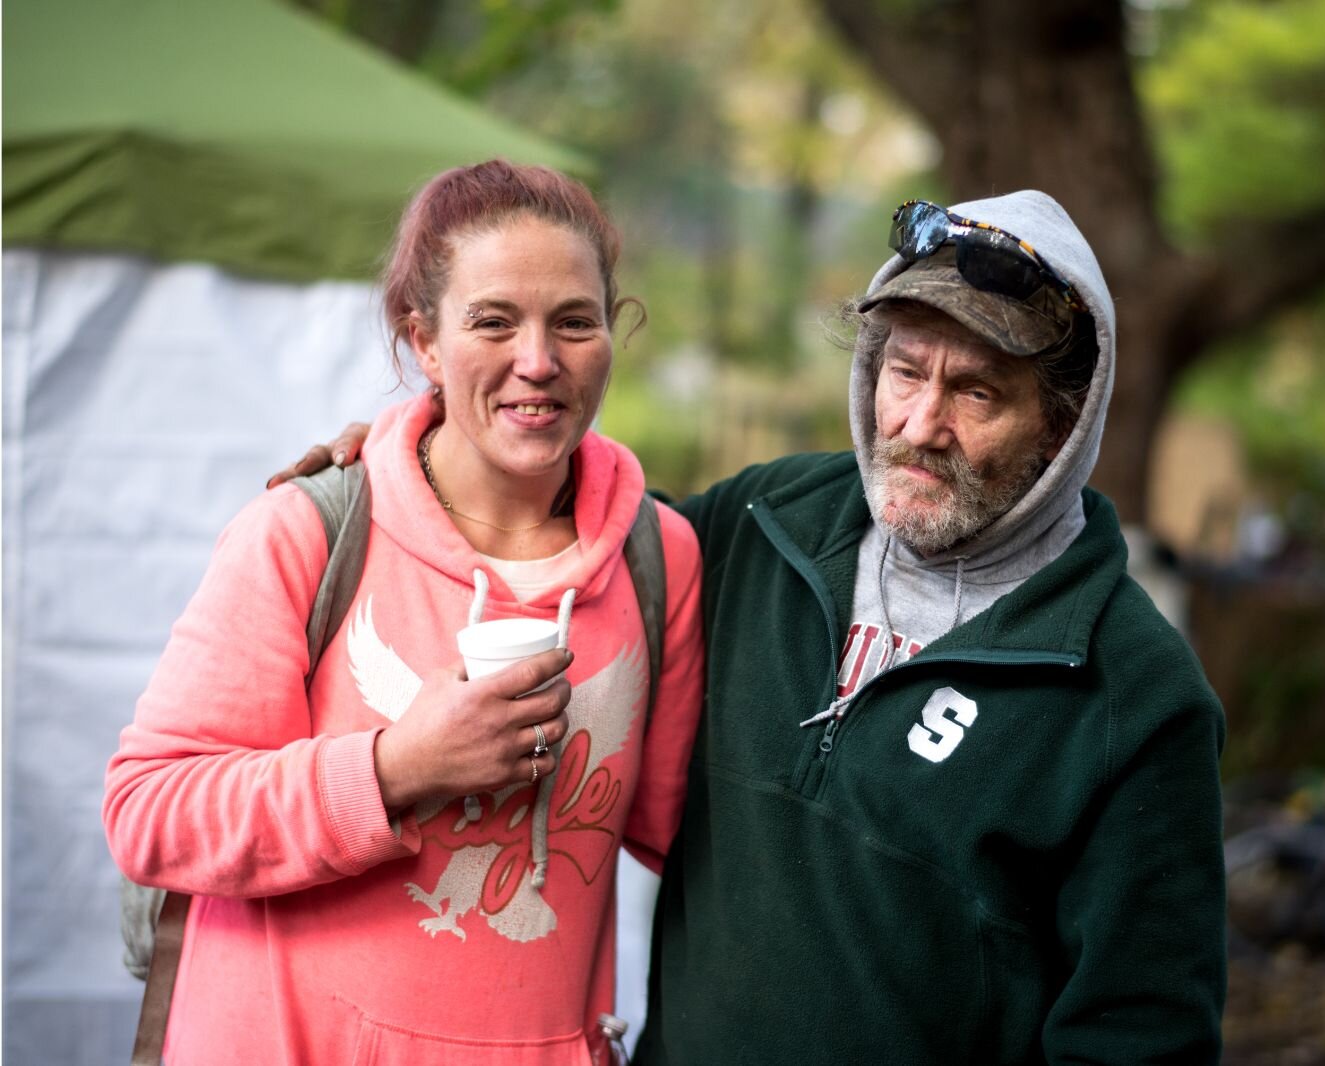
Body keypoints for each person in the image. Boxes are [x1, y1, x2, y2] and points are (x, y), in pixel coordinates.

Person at [282, 190, 1227, 1063]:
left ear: (1064, 424)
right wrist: (424, 453)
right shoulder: (764, 523)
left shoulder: (1135, 695)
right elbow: (573, 534)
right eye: (904, 372)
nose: (920, 424)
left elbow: (1142, 1039)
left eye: (977, 393)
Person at [104, 160, 704, 1066]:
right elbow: (150, 812)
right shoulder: (307, 532)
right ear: (422, 341)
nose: (538, 361)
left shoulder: (660, 559)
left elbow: (693, 839)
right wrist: (395, 770)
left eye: (575, 322)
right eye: (493, 321)